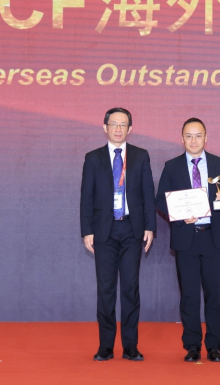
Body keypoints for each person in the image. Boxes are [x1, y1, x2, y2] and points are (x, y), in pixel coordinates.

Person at [155, 118, 220, 363]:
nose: (193, 140)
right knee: (189, 296)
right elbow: (160, 200)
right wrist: (179, 217)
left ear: (206, 137)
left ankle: (214, 346)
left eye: (198, 135)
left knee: (214, 295)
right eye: (189, 136)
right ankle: (191, 345)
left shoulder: (219, 164)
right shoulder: (172, 166)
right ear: (182, 138)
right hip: (186, 239)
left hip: (212, 237)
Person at [80, 107, 156, 362]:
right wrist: (87, 230)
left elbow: (148, 194)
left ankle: (130, 346)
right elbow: (86, 198)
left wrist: (149, 227)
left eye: (124, 125)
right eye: (114, 124)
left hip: (132, 229)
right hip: (104, 231)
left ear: (130, 129)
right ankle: (105, 346)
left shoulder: (141, 156)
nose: (119, 129)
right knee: (106, 290)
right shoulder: (93, 158)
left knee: (130, 288)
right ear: (105, 127)